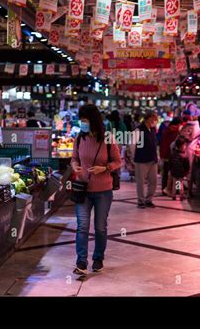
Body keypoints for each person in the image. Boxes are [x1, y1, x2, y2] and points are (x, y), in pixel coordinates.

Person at [70, 104, 121, 275]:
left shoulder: (108, 138)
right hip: (83, 189)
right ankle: (81, 262)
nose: (83, 123)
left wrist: (104, 169)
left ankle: (98, 258)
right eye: (81, 120)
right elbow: (74, 158)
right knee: (82, 226)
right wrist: (75, 166)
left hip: (103, 191)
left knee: (100, 227)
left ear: (93, 120)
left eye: (85, 120)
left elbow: (117, 161)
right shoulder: (79, 138)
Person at [131, 110, 159, 209]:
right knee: (141, 181)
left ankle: (149, 199)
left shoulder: (152, 130)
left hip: (152, 159)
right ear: (149, 118)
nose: (156, 121)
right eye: (155, 118)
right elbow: (132, 145)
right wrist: (134, 157)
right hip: (141, 159)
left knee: (153, 181)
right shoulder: (138, 130)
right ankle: (141, 201)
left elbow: (155, 144)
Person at [160, 117, 182, 196]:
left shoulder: (167, 129)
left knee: (166, 173)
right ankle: (177, 191)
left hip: (165, 155)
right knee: (178, 175)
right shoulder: (176, 131)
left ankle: (165, 188)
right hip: (174, 156)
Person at [169, 136, 190, 200]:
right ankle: (181, 194)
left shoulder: (173, 153)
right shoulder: (183, 155)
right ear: (181, 146)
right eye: (185, 145)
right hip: (180, 171)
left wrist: (170, 169)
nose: (185, 147)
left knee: (175, 182)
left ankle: (174, 194)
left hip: (174, 171)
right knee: (180, 183)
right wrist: (187, 170)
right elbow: (186, 164)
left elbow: (170, 162)